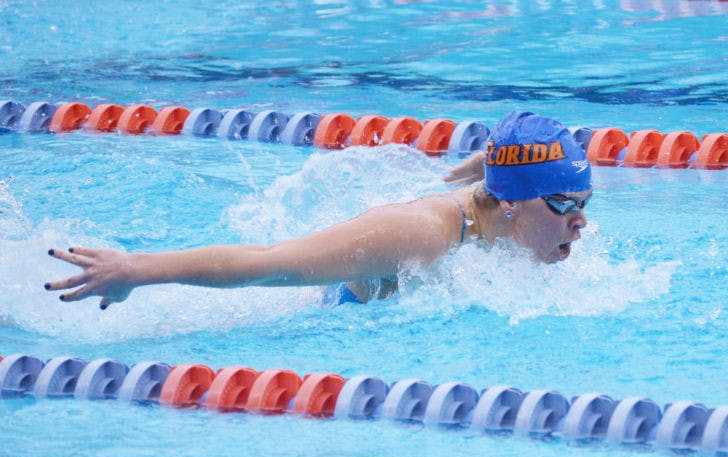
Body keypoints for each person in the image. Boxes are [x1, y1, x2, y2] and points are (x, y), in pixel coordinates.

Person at [45, 111, 592, 309]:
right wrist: (134, 271)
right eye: (565, 203)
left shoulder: (508, 205)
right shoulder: (419, 235)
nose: (580, 222)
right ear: (513, 205)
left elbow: (520, 159)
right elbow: (268, 260)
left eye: (586, 203)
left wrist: (498, 162)